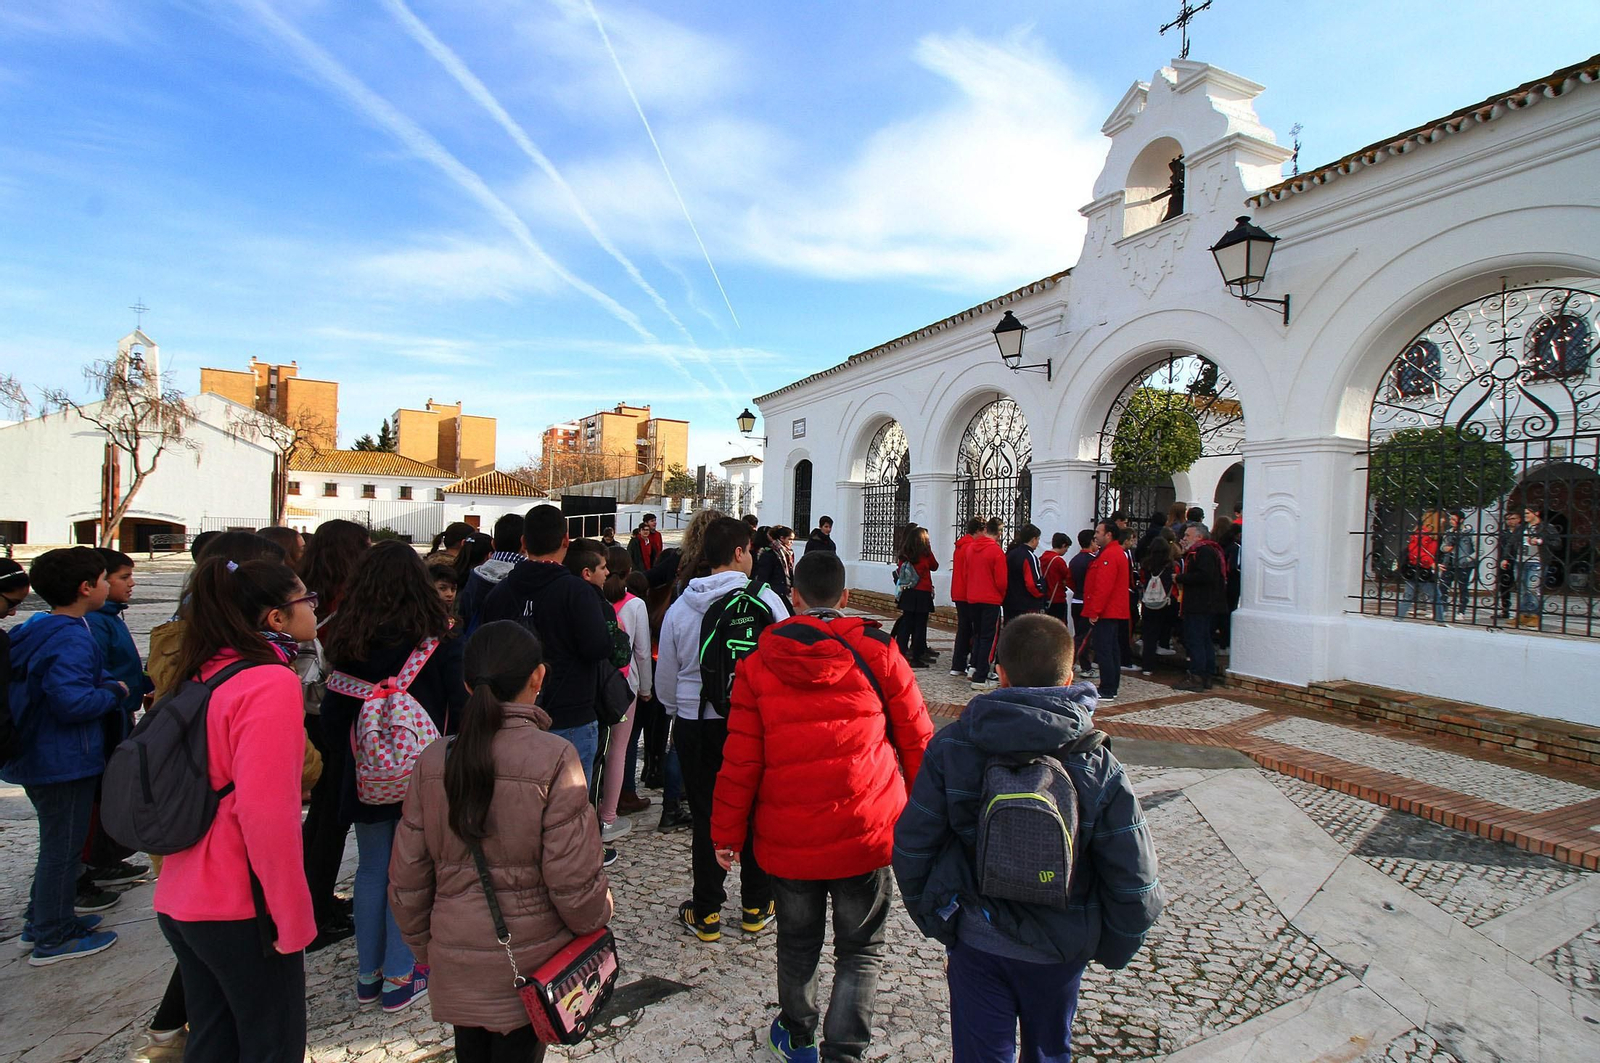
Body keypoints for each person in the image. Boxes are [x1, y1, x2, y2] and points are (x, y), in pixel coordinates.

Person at [893, 614, 1164, 1063]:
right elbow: (1134, 875)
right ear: (1070, 677)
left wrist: (942, 920)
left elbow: (913, 843)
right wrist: (1106, 944)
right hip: (1061, 947)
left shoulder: (955, 746)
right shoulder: (1098, 764)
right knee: (1048, 1052)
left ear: (999, 671)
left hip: (977, 937)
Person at [712, 551, 934, 1063]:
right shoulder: (879, 651)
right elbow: (919, 741)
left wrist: (725, 834)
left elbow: (740, 759)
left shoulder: (758, 662)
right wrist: (928, 824)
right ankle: (845, 1051)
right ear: (846, 597)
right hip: (867, 830)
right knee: (861, 950)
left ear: (794, 599)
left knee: (796, 942)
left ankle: (798, 1036)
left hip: (789, 838)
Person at [389, 621, 613, 1063]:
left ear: (469, 684)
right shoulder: (553, 757)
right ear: (538, 676)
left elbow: (408, 877)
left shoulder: (433, 760)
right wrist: (597, 921)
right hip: (531, 962)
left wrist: (430, 949)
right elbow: (573, 878)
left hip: (456, 954)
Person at [152, 557, 320, 1063]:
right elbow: (266, 815)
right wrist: (291, 915)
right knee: (272, 1043)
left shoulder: (203, 666)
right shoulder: (268, 682)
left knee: (213, 1037)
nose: (313, 608)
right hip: (242, 904)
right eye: (305, 600)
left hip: (183, 892)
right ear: (276, 617)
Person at [321, 541, 465, 1012]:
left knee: (370, 868)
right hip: (421, 775)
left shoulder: (346, 640)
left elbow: (330, 721)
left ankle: (369, 975)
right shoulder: (433, 639)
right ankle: (402, 974)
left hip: (365, 776)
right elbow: (459, 708)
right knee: (414, 872)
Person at [657, 517, 787, 942]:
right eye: (749, 550)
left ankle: (707, 910)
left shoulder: (681, 605)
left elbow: (668, 679)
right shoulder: (766, 599)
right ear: (738, 552)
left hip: (697, 722)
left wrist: (682, 712)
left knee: (708, 815)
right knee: (757, 811)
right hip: (754, 725)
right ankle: (756, 903)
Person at [3, 548, 128, 964]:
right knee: (63, 848)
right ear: (86, 588)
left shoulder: (37, 627)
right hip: (62, 760)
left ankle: (40, 920)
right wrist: (112, 692)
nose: (110, 586)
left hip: (40, 756)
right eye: (104, 579)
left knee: (57, 844)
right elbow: (71, 702)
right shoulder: (71, 636)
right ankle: (53, 936)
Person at [481, 505, 613, 786]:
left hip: (510, 715)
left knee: (515, 806)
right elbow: (598, 648)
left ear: (524, 543)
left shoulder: (498, 594)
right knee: (570, 809)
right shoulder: (578, 592)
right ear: (566, 541)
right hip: (570, 713)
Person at [296, 519, 370, 950]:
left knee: (323, 817)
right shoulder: (346, 600)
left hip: (309, 713)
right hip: (334, 713)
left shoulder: (304, 591)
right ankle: (316, 910)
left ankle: (315, 898)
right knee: (330, 818)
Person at [81, 549, 154, 887]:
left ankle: (109, 857)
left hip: (121, 713)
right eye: (123, 577)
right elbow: (98, 672)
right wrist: (122, 690)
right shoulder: (95, 622)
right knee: (102, 794)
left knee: (117, 790)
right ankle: (94, 864)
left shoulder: (110, 616)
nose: (131, 583)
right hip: (107, 719)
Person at [598, 546, 653, 839]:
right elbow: (642, 652)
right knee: (618, 751)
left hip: (596, 683)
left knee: (597, 749)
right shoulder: (634, 605)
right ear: (629, 571)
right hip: (624, 687)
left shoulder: (593, 597)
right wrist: (646, 688)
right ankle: (609, 816)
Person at [1174, 523, 1227, 691]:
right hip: (1204, 604)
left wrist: (1181, 578)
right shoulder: (1204, 551)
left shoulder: (1204, 551)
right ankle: (1205, 675)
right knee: (1203, 640)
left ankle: (1197, 676)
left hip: (1200, 604)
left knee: (1197, 640)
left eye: (1188, 536)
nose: (1184, 539)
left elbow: (1204, 576)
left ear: (1199, 536)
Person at [1081, 520, 1130, 703]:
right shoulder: (1112, 553)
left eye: (1099, 532)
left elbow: (1104, 586)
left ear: (1108, 534)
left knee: (1105, 650)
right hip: (1111, 610)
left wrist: (1095, 611)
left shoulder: (1110, 554)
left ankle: (1108, 687)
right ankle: (1111, 685)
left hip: (1107, 611)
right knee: (1111, 649)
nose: (1096, 535)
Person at [457, 513, 524, 635]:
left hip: (476, 646)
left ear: (493, 544)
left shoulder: (475, 575)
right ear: (525, 544)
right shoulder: (527, 577)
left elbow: (463, 618)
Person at [965, 519, 1007, 691]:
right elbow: (1002, 581)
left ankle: (974, 667)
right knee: (989, 639)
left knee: (978, 635)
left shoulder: (970, 548)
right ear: (998, 533)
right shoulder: (996, 552)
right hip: (990, 599)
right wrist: (1001, 596)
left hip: (973, 597)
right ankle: (981, 677)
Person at [894, 525, 940, 668]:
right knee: (920, 626)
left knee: (906, 625)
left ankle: (900, 653)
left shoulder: (904, 554)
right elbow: (935, 566)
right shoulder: (925, 554)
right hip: (922, 592)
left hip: (908, 592)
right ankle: (916, 656)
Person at [1137, 532, 1180, 676]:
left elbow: (1142, 581)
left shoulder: (1146, 565)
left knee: (1149, 634)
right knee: (1166, 628)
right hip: (1167, 602)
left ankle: (1147, 666)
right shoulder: (1172, 566)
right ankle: (1164, 645)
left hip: (1150, 602)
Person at [947, 517, 982, 680]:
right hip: (968, 593)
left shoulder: (960, 546)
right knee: (972, 629)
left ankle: (958, 664)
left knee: (963, 628)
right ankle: (968, 663)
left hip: (958, 591)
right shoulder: (971, 547)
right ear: (978, 531)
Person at [1397, 511, 1443, 622]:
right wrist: (1431, 562)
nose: (1444, 520)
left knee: (1410, 596)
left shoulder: (1431, 535)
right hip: (1420, 569)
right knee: (1435, 596)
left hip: (1421, 569)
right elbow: (1416, 552)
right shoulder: (1423, 534)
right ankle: (1440, 621)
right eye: (1441, 518)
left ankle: (1398, 619)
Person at [1519, 506, 1559, 629]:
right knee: (1522, 589)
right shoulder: (1522, 528)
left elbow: (1557, 543)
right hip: (1521, 561)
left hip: (1537, 562)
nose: (1525, 515)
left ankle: (1535, 616)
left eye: (1527, 512)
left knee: (1533, 589)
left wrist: (1541, 541)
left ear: (1536, 513)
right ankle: (1524, 614)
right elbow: (1512, 542)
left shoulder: (1547, 527)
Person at [1066, 530, 1097, 678]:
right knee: (1083, 637)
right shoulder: (1093, 561)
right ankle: (1068, 664)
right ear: (1091, 542)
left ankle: (1085, 665)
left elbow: (1069, 581)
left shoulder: (1074, 560)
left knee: (1080, 635)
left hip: (1076, 599)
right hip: (1087, 601)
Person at [1437, 510, 1477, 621]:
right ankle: (1443, 609)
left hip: (1464, 564)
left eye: (1454, 519)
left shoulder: (1469, 532)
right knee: (1443, 586)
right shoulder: (1449, 532)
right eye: (1451, 519)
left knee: (1462, 587)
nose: (1451, 521)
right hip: (1449, 562)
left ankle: (1461, 611)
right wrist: (1446, 548)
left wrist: (1468, 559)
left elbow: (1479, 549)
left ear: (1461, 520)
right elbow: (1442, 547)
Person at [1003, 524, 1046, 622]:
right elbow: (1032, 583)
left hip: (1009, 602)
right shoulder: (1030, 557)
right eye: (1038, 539)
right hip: (1026, 604)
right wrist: (1041, 593)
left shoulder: (1011, 554)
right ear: (1033, 539)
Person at [753, 525, 798, 614]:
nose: (791, 542)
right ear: (782, 538)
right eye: (790, 539)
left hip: (786, 591)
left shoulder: (788, 553)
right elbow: (763, 576)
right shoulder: (769, 553)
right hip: (775, 592)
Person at [1496, 508, 1524, 620]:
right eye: (1508, 519)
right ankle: (1505, 609)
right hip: (1505, 561)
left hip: (1519, 560)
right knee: (1504, 586)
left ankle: (1523, 612)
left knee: (1523, 586)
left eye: (1513, 518)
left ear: (1519, 519)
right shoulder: (1503, 533)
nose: (1510, 521)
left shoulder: (1522, 532)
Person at [1041, 533, 1072, 626]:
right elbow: (1068, 577)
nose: (1066, 551)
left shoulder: (1043, 558)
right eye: (1066, 548)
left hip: (1045, 597)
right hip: (1057, 598)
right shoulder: (1058, 561)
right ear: (1063, 545)